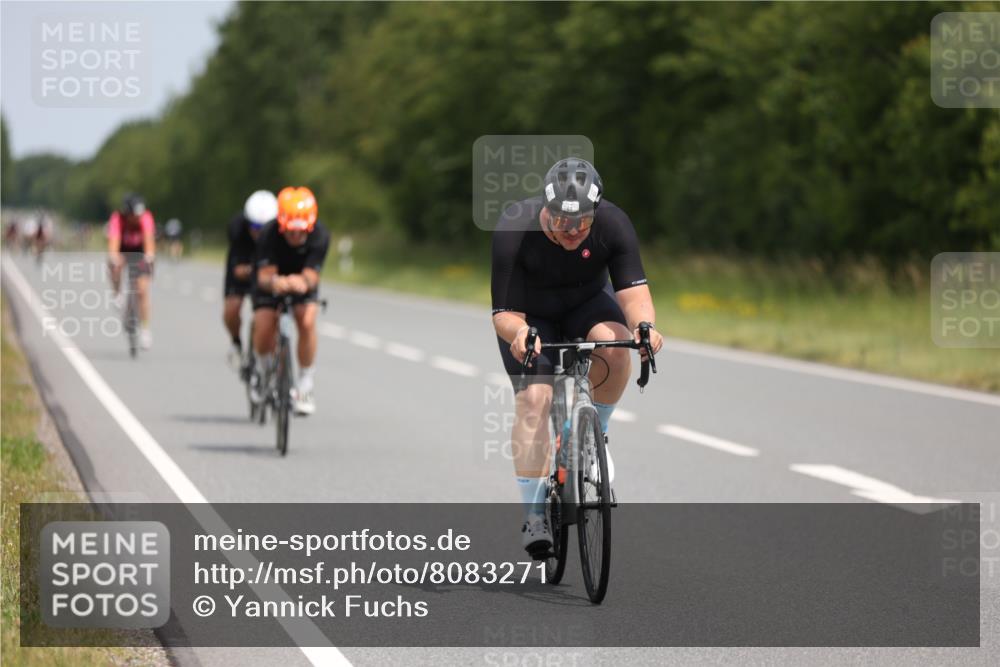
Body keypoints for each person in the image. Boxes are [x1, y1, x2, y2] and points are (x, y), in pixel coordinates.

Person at [491, 158, 664, 557]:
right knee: (535, 399)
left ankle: (592, 438)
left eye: (581, 222)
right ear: (546, 210)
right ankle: (534, 513)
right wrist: (520, 334)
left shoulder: (613, 223)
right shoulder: (515, 227)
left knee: (617, 343)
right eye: (562, 221)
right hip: (527, 317)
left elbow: (635, 297)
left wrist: (645, 328)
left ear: (594, 212)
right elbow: (503, 314)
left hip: (585, 302)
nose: (572, 231)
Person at [251, 186, 330, 416]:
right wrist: (275, 282)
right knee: (264, 323)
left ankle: (305, 384)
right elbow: (264, 275)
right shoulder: (268, 233)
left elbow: (313, 275)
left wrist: (303, 281)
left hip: (302, 278)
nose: (295, 237)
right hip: (272, 278)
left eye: (301, 232)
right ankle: (264, 370)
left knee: (306, 320)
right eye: (290, 232)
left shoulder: (320, 235)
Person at [223, 190, 278, 369]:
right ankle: (236, 342)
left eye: (265, 228)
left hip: (265, 269)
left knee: (266, 313)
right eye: (255, 227)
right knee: (231, 309)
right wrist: (254, 270)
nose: (260, 232)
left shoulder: (279, 234)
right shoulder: (237, 229)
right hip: (244, 266)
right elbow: (238, 271)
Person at [108, 193, 156, 349]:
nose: (137, 218)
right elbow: (113, 245)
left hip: (140, 252)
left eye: (139, 215)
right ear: (127, 213)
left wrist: (149, 257)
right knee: (113, 264)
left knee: (142, 291)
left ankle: (145, 329)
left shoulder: (146, 217)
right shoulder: (117, 219)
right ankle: (117, 294)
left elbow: (149, 241)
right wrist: (115, 259)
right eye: (134, 216)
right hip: (123, 249)